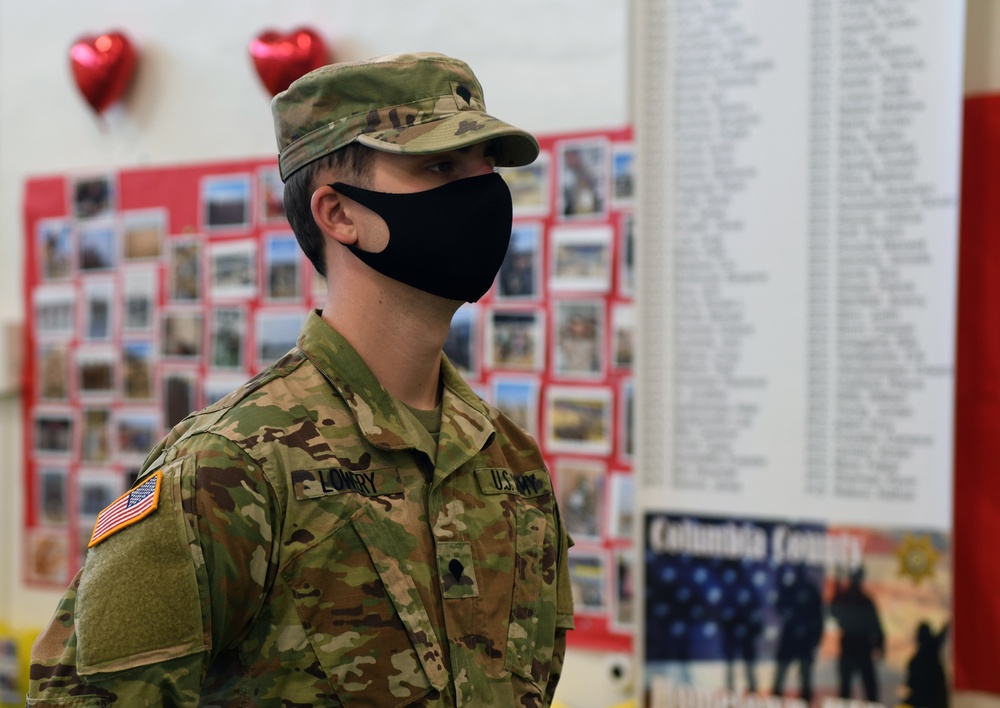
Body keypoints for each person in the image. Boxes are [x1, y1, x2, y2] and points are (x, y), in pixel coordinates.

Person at [28, 52, 575, 707]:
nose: (483, 193)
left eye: (484, 168)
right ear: (338, 213)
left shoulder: (510, 462)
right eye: (439, 167)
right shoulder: (231, 466)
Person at [830, 566, 885, 703]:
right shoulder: (858, 600)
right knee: (854, 690)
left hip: (858, 648)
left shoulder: (861, 600)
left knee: (863, 689)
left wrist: (880, 644)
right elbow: (834, 611)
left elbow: (875, 625)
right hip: (855, 648)